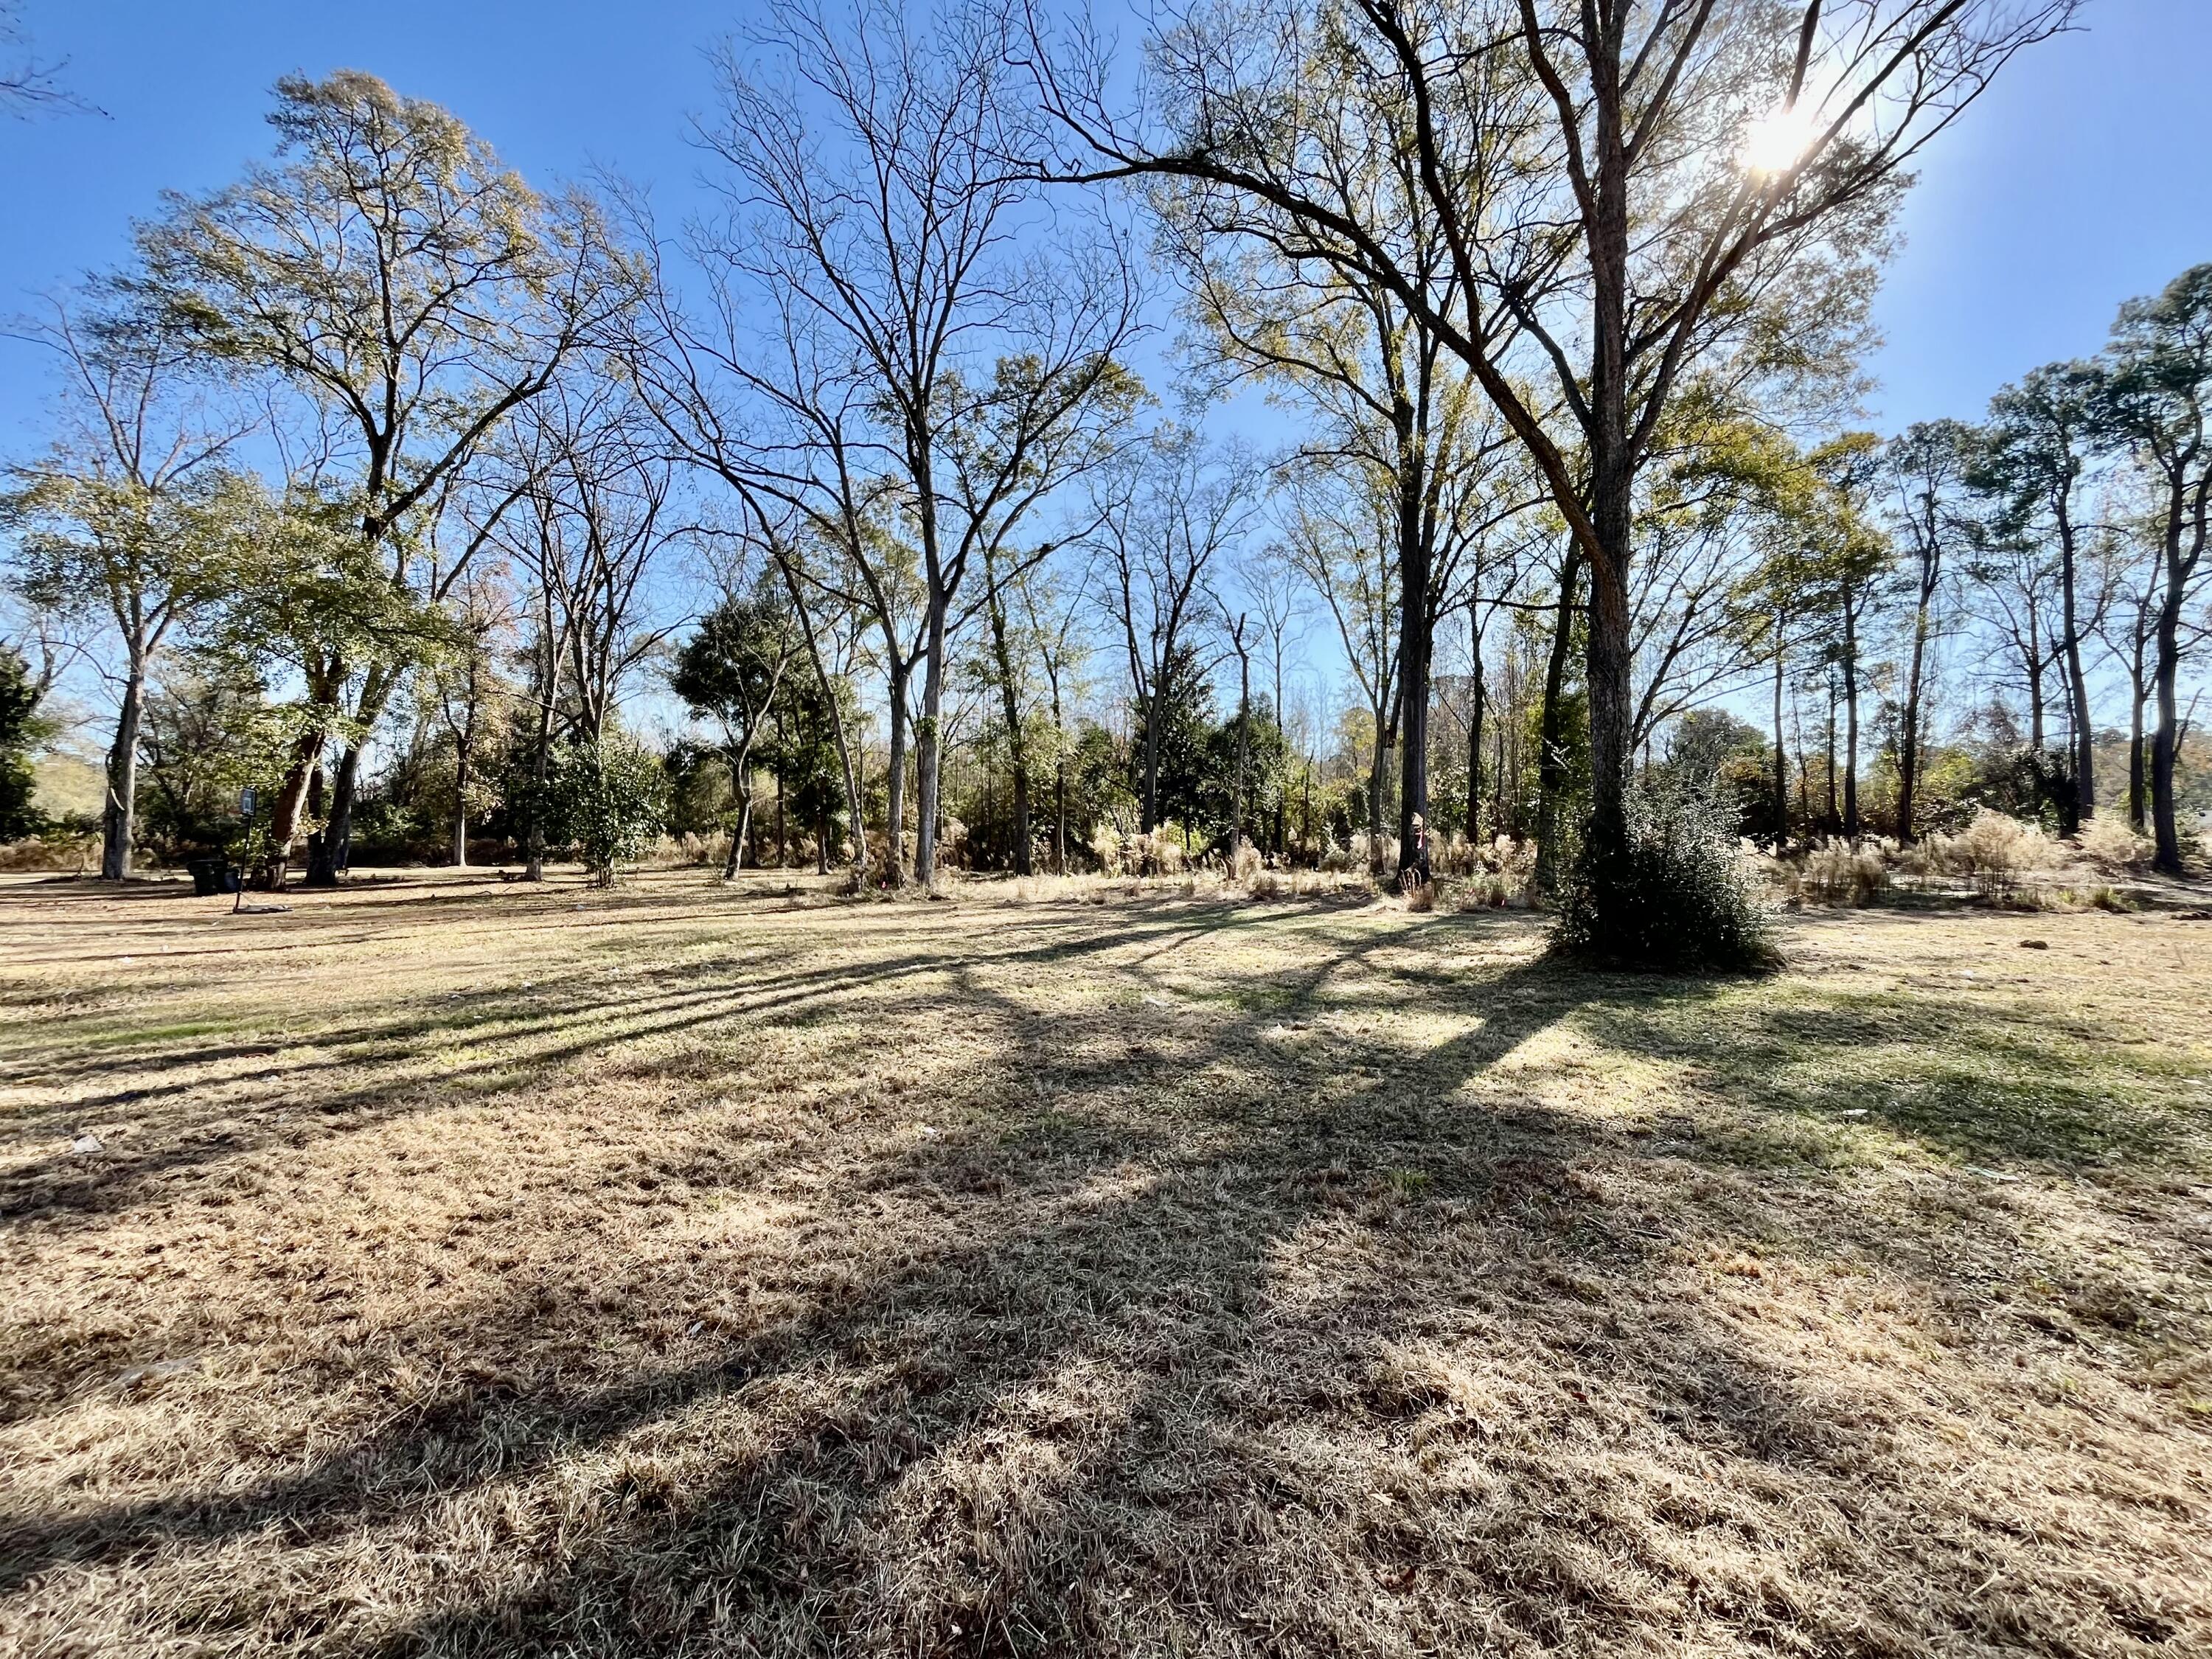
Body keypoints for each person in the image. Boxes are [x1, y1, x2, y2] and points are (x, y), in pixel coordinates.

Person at [1402, 811, 1433, 891]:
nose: (1416, 830)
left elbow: (1420, 844)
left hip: (1420, 854)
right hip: (1416, 853)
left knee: (1419, 863)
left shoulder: (1422, 835)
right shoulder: (1415, 836)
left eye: (1418, 828)